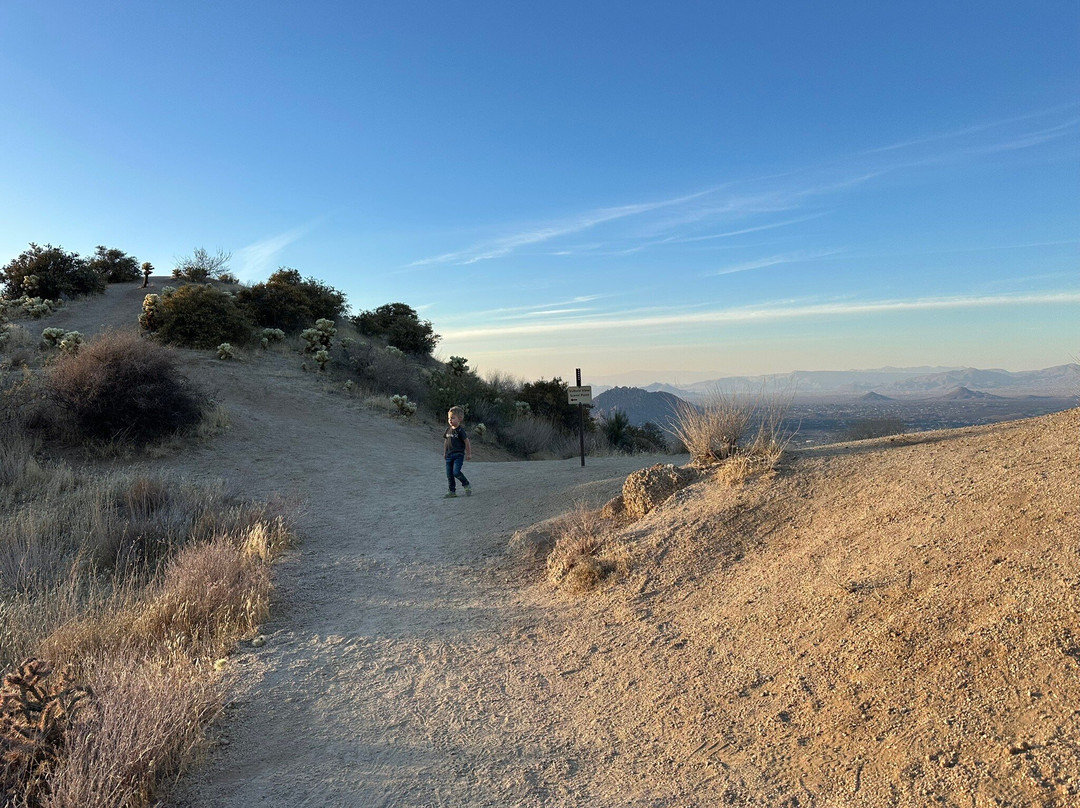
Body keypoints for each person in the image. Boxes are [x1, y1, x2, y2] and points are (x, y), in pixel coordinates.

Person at [443, 405, 472, 498]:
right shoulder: (448, 430)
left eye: (452, 418)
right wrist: (444, 452)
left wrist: (469, 453)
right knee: (449, 474)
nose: (450, 420)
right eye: (449, 418)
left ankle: (466, 484)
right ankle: (452, 491)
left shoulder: (460, 431)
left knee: (456, 472)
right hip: (449, 455)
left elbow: (467, 441)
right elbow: (445, 441)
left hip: (458, 455)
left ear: (460, 419)